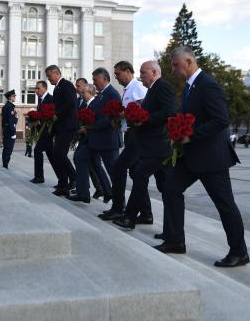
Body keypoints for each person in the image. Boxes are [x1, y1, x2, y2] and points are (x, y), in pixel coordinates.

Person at [156, 46, 249, 268]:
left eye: (176, 65)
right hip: (192, 156)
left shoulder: (208, 85)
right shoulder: (190, 87)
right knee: (170, 189)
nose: (173, 69)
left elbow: (221, 120)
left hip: (212, 159)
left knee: (225, 205)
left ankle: (239, 252)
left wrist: (190, 136)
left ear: (189, 62)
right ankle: (175, 241)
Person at [114, 60, 177, 231]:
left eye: (143, 72)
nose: (140, 76)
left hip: (157, 145)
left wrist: (144, 118)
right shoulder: (153, 89)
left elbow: (169, 111)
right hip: (152, 145)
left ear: (155, 73)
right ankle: (169, 230)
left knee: (140, 176)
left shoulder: (162, 86)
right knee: (165, 187)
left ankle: (129, 218)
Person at [98, 60, 148, 222]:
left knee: (119, 168)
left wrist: (122, 115)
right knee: (136, 174)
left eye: (118, 74)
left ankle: (119, 208)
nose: (117, 78)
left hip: (137, 135)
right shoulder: (127, 89)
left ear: (128, 71)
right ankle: (146, 213)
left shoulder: (138, 87)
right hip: (129, 134)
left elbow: (142, 109)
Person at [69, 68, 120, 203]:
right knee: (80, 157)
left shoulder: (112, 94)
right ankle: (84, 193)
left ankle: (119, 205)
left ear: (104, 79)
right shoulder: (102, 94)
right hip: (95, 138)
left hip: (106, 140)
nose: (94, 83)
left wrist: (91, 126)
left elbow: (111, 118)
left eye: (95, 80)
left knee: (114, 172)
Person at [45, 65, 78, 196]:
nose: (48, 79)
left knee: (59, 154)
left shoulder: (66, 85)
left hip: (68, 126)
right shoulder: (58, 87)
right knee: (57, 154)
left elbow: (71, 103)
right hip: (61, 126)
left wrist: (57, 114)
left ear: (57, 73)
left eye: (49, 76)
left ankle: (74, 178)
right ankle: (63, 184)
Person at [75, 76, 104, 199]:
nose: (79, 91)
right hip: (84, 137)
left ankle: (101, 190)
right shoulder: (81, 102)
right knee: (87, 163)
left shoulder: (95, 103)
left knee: (94, 164)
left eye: (79, 87)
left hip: (92, 138)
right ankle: (85, 190)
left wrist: (87, 128)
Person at [30, 80, 54, 184]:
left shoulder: (50, 99)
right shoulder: (40, 100)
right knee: (52, 156)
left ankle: (39, 177)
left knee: (37, 151)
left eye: (38, 88)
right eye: (35, 88)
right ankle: (64, 180)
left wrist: (38, 121)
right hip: (42, 131)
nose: (36, 90)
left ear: (44, 88)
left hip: (47, 132)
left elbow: (50, 116)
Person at [1, 89, 18, 168]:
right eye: (14, 96)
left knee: (7, 148)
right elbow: (11, 120)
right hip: (10, 130)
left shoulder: (7, 106)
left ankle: (5, 164)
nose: (15, 97)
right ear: (10, 97)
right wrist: (13, 132)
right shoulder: (9, 107)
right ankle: (5, 165)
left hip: (7, 129)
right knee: (8, 149)